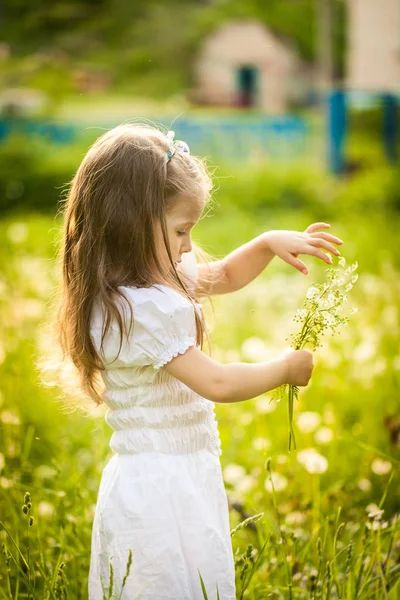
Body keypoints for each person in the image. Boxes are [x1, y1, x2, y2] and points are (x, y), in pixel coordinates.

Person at [49, 122, 343, 599]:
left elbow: (224, 274)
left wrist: (267, 242)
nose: (188, 245)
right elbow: (220, 384)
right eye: (181, 230)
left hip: (179, 475)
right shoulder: (140, 310)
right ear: (128, 224)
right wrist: (285, 368)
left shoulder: (145, 283)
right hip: (160, 491)